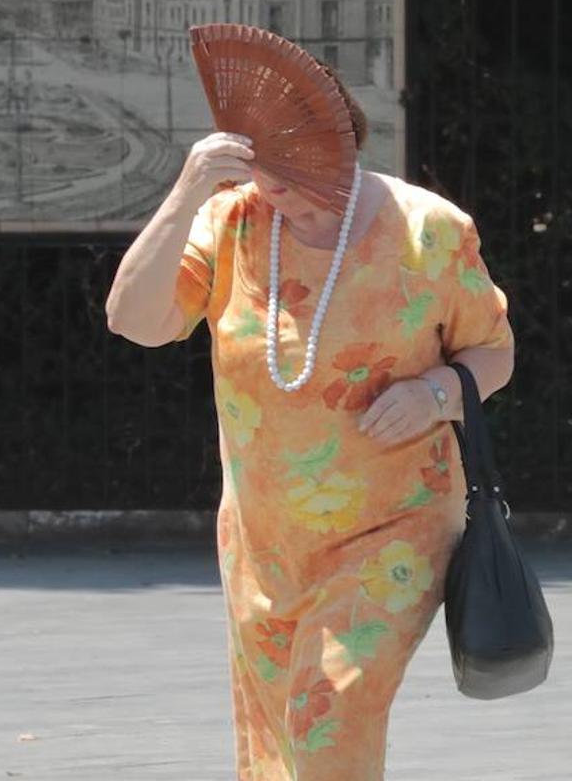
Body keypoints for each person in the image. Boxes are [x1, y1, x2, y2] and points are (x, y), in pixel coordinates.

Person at [106, 69, 514, 778]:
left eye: (289, 159)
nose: (271, 180)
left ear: (341, 145)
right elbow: (133, 321)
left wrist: (436, 393)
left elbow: (496, 353)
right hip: (265, 542)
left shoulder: (431, 230)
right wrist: (185, 191)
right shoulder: (231, 221)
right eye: (258, 159)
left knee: (328, 708)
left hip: (395, 526)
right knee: (276, 743)